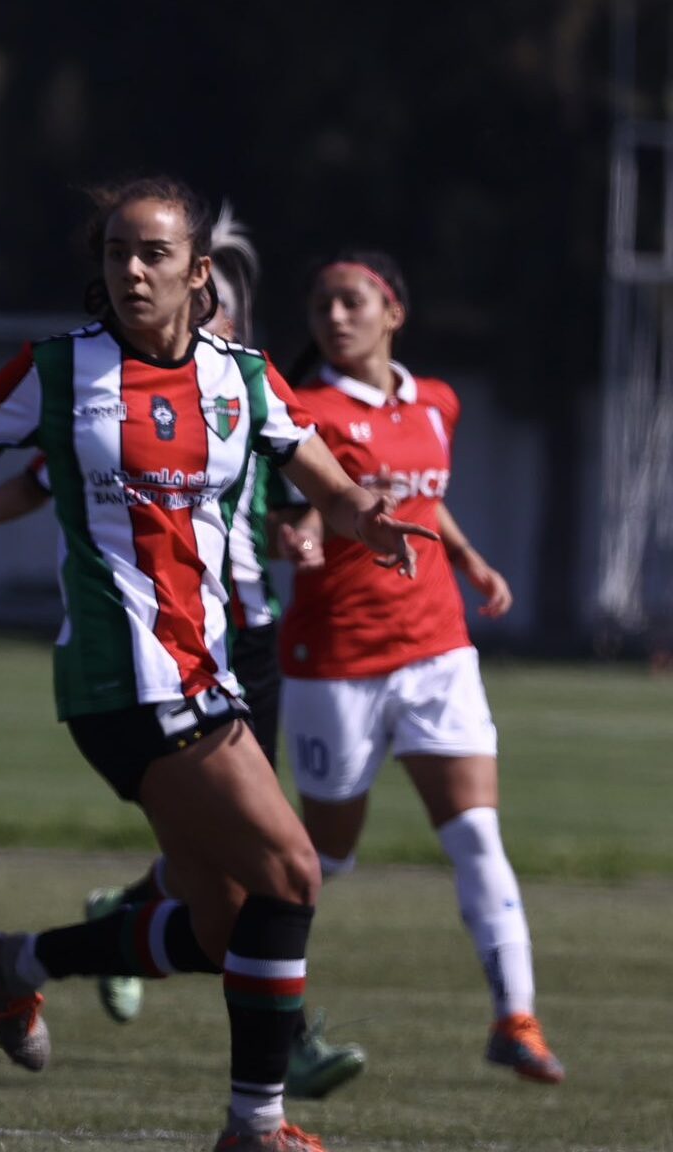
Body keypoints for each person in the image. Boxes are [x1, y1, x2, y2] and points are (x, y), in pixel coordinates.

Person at [0, 176, 437, 1152]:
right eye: (115, 251)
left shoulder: (242, 378)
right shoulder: (53, 371)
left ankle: (16, 961)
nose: (128, 269)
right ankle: (255, 1128)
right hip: (123, 679)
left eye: (151, 253)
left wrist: (364, 521)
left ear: (197, 273)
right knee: (291, 871)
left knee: (222, 927)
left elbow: (324, 485)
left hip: (207, 674)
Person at [273, 250, 562, 1084]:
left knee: (477, 836)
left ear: (393, 311)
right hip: (336, 662)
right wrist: (294, 538)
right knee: (319, 862)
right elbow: (277, 521)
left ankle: (516, 1018)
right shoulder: (303, 409)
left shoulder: (438, 402)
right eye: (322, 303)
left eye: (352, 300)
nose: (334, 316)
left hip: (438, 650)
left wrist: (468, 562)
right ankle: (184, 934)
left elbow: (422, 499)